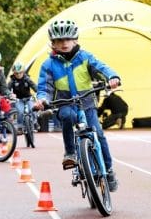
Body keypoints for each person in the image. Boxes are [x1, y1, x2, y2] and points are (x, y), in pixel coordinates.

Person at [34, 19, 119, 192]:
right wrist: (42, 99)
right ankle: (70, 153)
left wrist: (112, 77)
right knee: (67, 117)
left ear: (75, 40)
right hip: (64, 103)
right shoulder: (48, 64)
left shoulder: (85, 57)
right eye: (59, 41)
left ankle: (108, 170)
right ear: (53, 43)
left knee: (99, 135)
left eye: (67, 39)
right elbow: (44, 87)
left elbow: (101, 68)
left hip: (86, 103)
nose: (64, 43)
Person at [8, 62, 38, 134]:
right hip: (19, 99)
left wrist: (38, 92)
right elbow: (7, 89)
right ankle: (20, 127)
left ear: (23, 72)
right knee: (20, 111)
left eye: (20, 73)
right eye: (16, 73)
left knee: (32, 109)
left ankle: (35, 123)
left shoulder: (27, 78)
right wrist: (9, 95)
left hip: (28, 98)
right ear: (14, 73)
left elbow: (33, 85)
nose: (18, 75)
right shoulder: (12, 81)